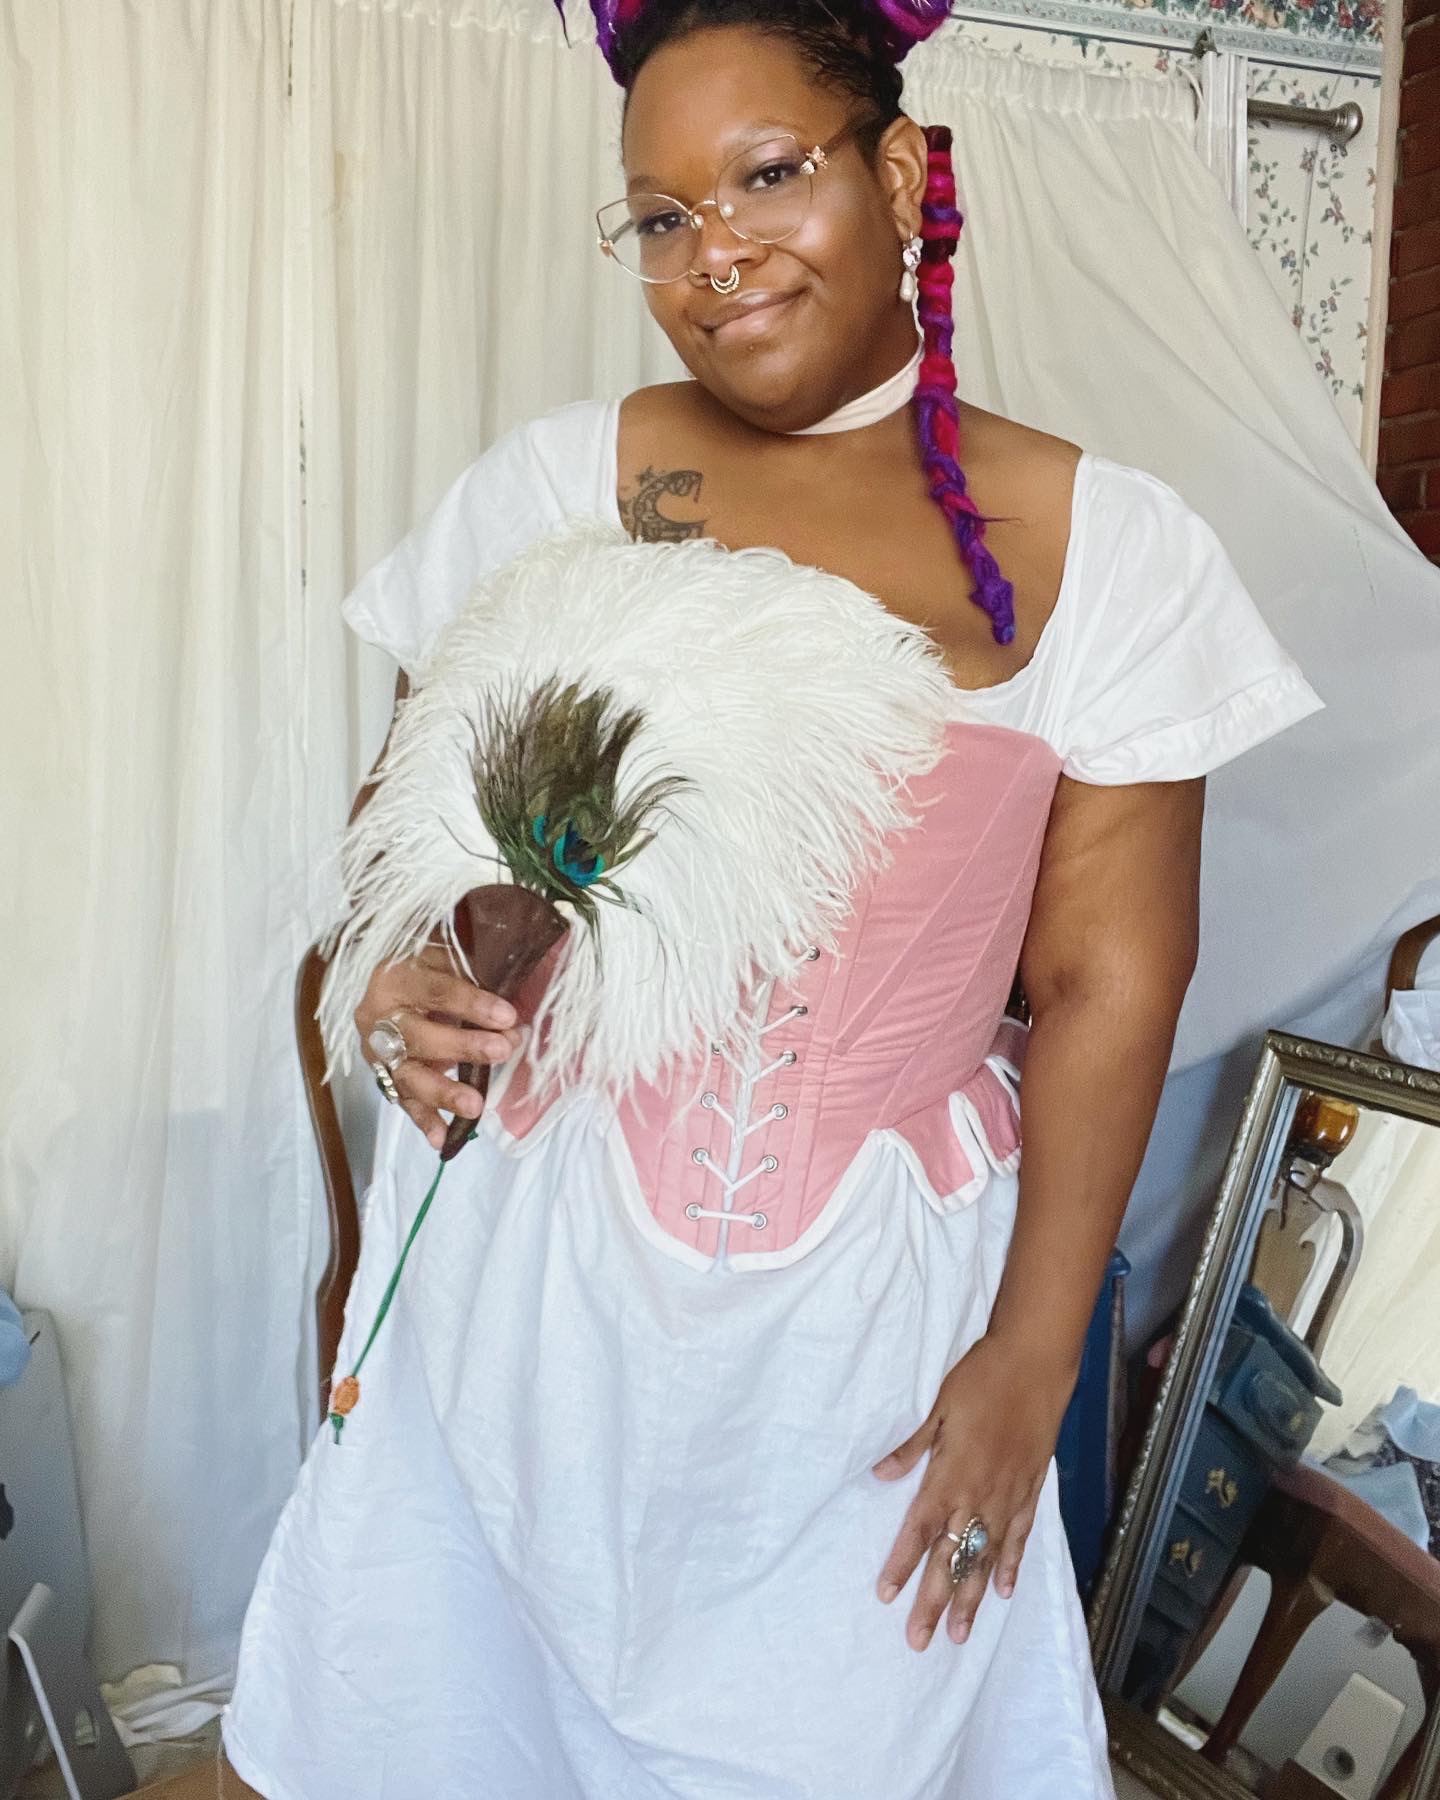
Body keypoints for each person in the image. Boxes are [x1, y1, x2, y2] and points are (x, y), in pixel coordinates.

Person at [222, 2, 1322, 1794]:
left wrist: (1034, 1357)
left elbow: (1110, 986)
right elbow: (406, 838)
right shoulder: (556, 483)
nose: (712, 252)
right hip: (526, 1276)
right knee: (458, 1727)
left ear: (897, 172)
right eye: (661, 216)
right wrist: (398, 971)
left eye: (764, 176)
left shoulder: (1112, 549)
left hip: (858, 1335)